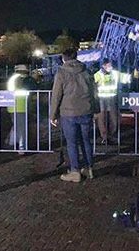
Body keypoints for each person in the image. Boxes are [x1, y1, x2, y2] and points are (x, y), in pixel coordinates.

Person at [50, 48, 97, 183]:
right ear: (76, 57)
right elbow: (94, 92)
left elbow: (56, 95)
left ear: (64, 58)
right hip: (86, 111)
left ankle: (75, 171)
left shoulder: (61, 72)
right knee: (85, 141)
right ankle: (89, 169)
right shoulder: (86, 71)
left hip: (68, 112)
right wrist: (95, 109)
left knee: (72, 143)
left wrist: (52, 115)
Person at [94, 58, 131, 145]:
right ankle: (104, 137)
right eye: (108, 65)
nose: (110, 67)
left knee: (114, 117)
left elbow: (126, 78)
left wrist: (134, 75)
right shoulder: (98, 75)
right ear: (103, 66)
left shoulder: (115, 73)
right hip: (101, 98)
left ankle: (111, 135)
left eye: (110, 65)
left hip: (112, 98)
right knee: (101, 118)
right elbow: (92, 83)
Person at [6, 64, 37, 154]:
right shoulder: (22, 79)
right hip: (21, 106)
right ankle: (22, 148)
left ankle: (11, 142)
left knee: (16, 125)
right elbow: (31, 88)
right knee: (22, 128)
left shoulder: (12, 79)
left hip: (12, 106)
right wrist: (33, 80)